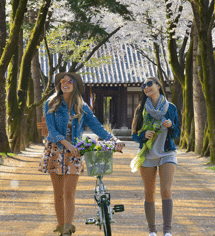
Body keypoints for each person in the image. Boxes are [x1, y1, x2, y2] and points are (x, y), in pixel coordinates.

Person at [39, 71, 124, 236]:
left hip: (75, 151)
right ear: (59, 85)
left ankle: (67, 230)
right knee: (58, 193)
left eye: (69, 81)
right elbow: (53, 131)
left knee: (69, 192)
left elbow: (98, 127)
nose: (65, 83)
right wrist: (67, 144)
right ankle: (61, 227)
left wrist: (114, 140)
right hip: (55, 150)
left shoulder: (82, 106)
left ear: (75, 85)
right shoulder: (50, 103)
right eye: (62, 81)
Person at [131, 76, 180, 236]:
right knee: (149, 192)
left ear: (159, 86)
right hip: (148, 154)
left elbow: (177, 133)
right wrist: (143, 135)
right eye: (143, 85)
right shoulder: (141, 109)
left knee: (166, 190)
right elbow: (134, 134)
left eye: (149, 84)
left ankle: (167, 231)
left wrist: (171, 125)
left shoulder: (170, 108)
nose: (146, 87)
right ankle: (152, 231)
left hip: (167, 152)